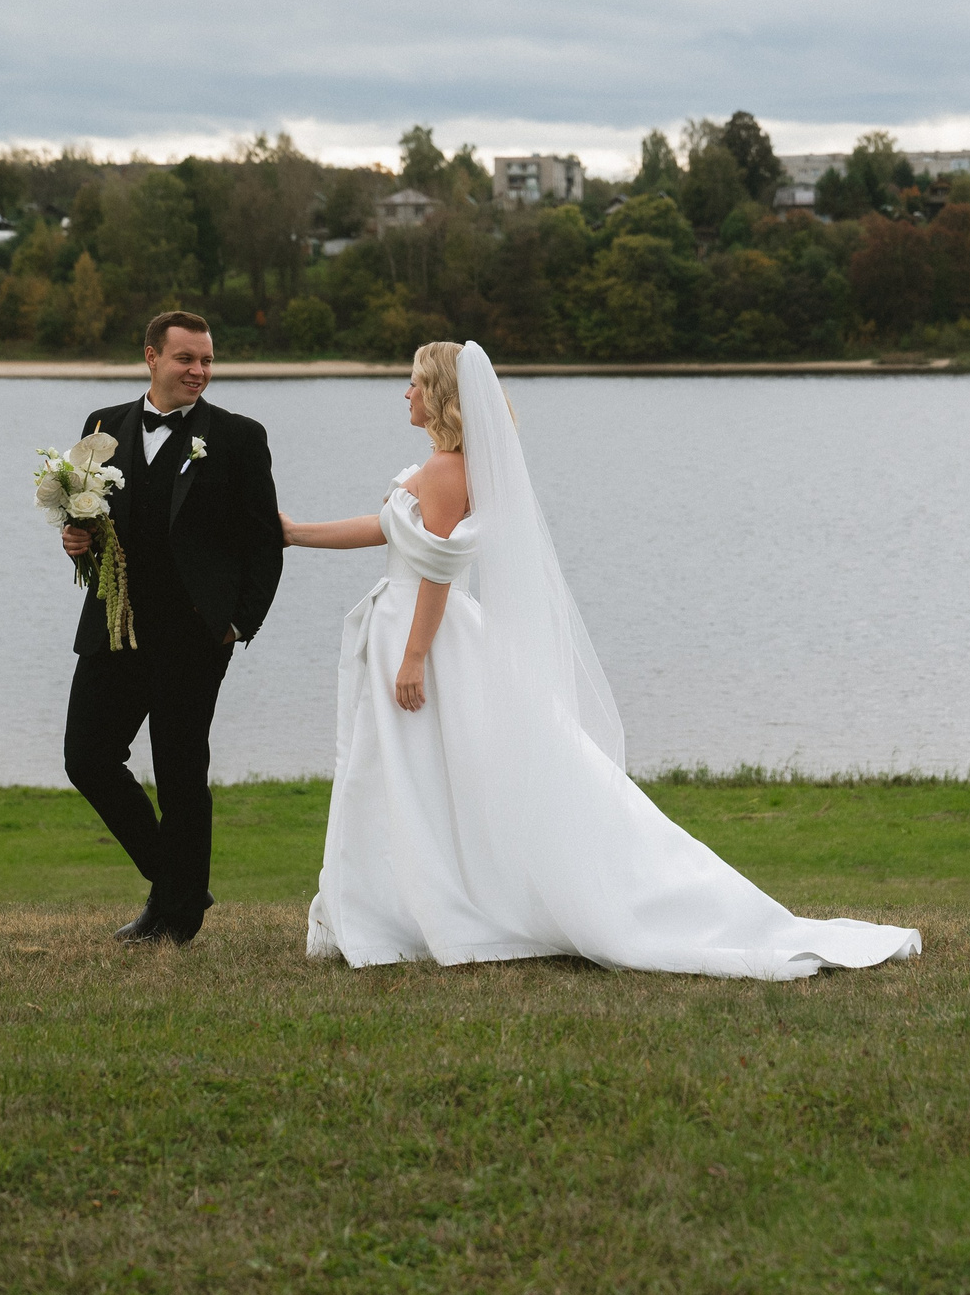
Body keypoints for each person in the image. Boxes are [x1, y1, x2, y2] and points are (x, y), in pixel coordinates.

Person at [280, 340, 919, 980]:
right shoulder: (445, 465)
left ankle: (430, 905)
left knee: (417, 772)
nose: (407, 393)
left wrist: (415, 656)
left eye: (416, 383)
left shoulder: (450, 470)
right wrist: (293, 532)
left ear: (442, 395)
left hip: (423, 637)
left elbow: (437, 572)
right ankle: (402, 902)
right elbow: (386, 529)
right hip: (409, 628)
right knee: (409, 771)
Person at [60, 311, 283, 945]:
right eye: (186, 359)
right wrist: (77, 542)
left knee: (181, 772)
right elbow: (93, 524)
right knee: (88, 758)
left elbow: (264, 541)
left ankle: (173, 916)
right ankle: (180, 886)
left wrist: (238, 623)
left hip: (195, 637)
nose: (199, 372)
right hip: (115, 626)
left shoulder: (239, 437)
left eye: (208, 360)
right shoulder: (101, 427)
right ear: (151, 358)